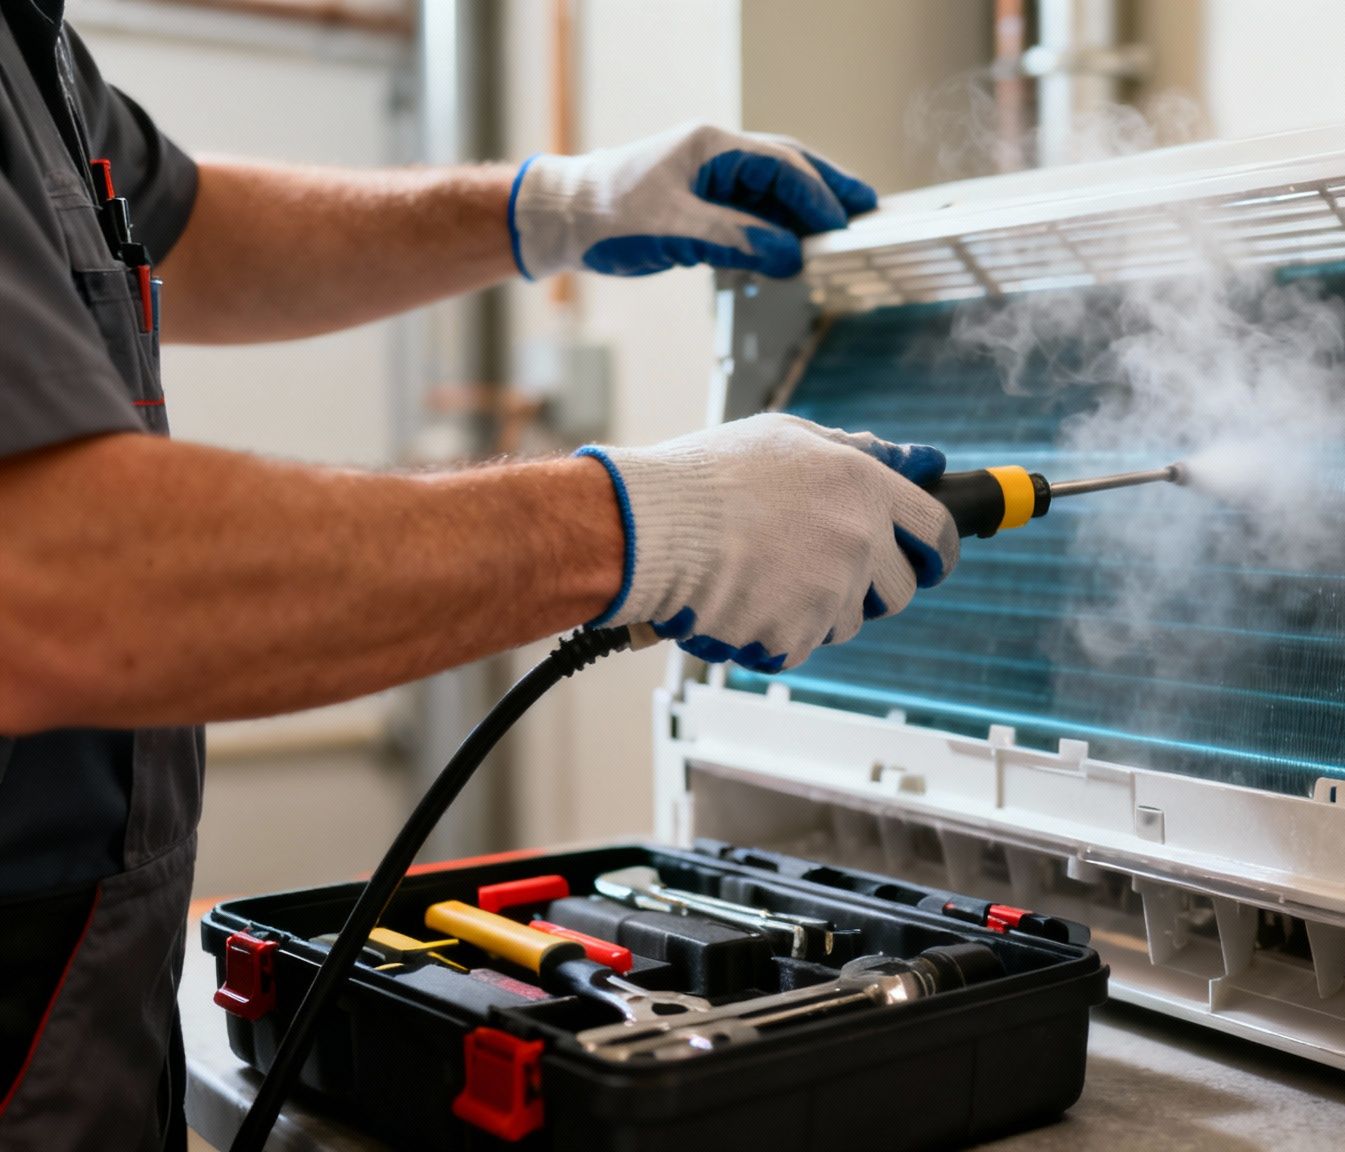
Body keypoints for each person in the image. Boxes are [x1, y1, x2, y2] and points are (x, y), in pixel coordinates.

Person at [0, 5, 957, 1148]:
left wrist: (550, 206)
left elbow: (188, 228)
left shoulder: (31, 46)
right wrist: (638, 524)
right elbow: (47, 578)